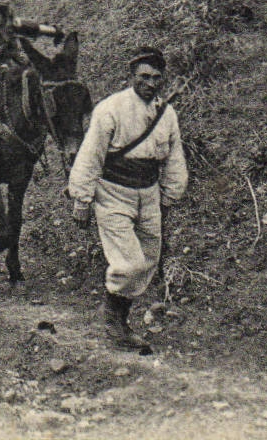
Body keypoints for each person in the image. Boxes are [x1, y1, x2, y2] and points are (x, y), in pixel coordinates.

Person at [68, 47, 188, 352]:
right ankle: (113, 321)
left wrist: (170, 195)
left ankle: (119, 318)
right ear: (131, 76)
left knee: (148, 258)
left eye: (156, 77)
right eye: (144, 76)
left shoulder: (166, 114)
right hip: (113, 193)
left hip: (149, 193)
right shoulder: (110, 109)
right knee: (129, 263)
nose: (150, 83)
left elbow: (174, 158)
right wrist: (82, 199)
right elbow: (91, 154)